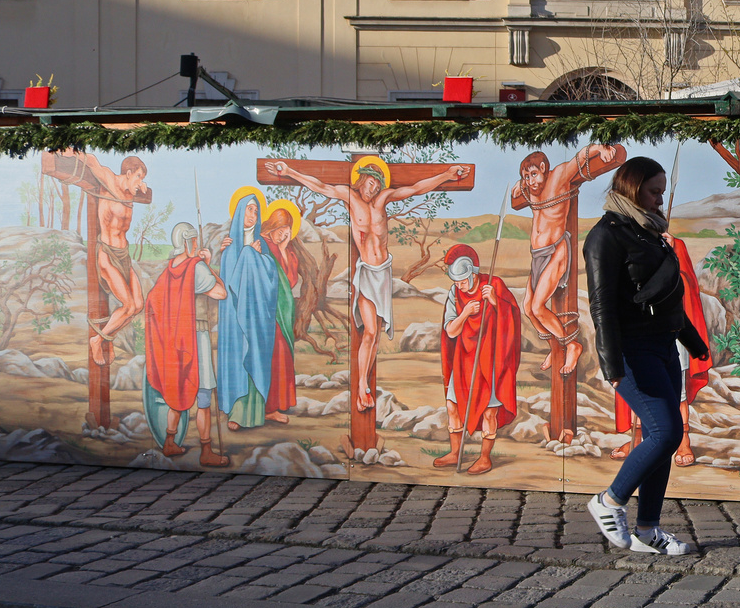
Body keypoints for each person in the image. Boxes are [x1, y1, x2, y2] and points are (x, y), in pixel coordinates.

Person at [264, 158, 471, 409]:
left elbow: (416, 188)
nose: (373, 190)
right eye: (370, 184)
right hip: (366, 274)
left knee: (376, 335)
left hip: (383, 274)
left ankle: (365, 385)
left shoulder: (383, 200)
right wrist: (289, 172)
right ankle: (362, 386)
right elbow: (320, 186)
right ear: (361, 179)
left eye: (377, 185)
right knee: (370, 331)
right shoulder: (349, 197)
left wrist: (446, 175)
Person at [584, 156, 711, 554]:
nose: (660, 200)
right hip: (632, 350)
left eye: (662, 191)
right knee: (666, 431)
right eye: (654, 191)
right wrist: (611, 364)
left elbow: (669, 297)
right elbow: (601, 305)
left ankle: (648, 531)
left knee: (666, 439)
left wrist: (694, 343)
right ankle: (609, 501)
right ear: (632, 188)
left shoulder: (650, 233)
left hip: (664, 346)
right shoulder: (605, 236)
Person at [513, 145, 626, 375]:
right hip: (537, 255)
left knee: (537, 305)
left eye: (534, 174)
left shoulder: (560, 176)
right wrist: (520, 184)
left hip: (556, 251)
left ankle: (572, 344)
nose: (531, 181)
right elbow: (517, 195)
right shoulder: (530, 188)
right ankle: (555, 345)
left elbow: (581, 156)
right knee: (527, 308)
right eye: (526, 176)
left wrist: (601, 149)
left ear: (544, 168)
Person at [612, 232, 709, 468]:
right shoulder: (632, 240)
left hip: (670, 329)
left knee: (678, 393)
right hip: (639, 330)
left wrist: (671, 256)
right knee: (639, 387)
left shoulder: (674, 244)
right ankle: (636, 437)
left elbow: (685, 284)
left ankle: (683, 440)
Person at [142, 222, 231, 467]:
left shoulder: (168, 270)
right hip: (196, 337)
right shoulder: (196, 267)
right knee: (203, 395)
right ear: (185, 241)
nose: (195, 244)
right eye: (192, 240)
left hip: (174, 342)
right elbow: (220, 293)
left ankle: (169, 442)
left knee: (179, 392)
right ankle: (206, 451)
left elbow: (153, 302)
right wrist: (209, 264)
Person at [435, 243, 522, 474]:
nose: (459, 285)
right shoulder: (454, 293)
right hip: (464, 358)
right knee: (452, 405)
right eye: (456, 281)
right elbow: (451, 331)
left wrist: (495, 301)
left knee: (489, 410)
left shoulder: (494, 285)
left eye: (463, 281)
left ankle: (485, 457)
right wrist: (465, 313)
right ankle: (455, 453)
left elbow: (513, 318)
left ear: (473, 274)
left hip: (490, 358)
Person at [57, 151, 149, 365]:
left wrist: (141, 186)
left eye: (142, 179)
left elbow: (138, 188)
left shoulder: (132, 190)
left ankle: (107, 337)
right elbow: (91, 161)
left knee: (138, 305)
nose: (140, 183)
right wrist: (71, 152)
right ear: (128, 173)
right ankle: (98, 340)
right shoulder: (109, 181)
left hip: (123, 254)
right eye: (138, 177)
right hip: (107, 254)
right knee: (127, 306)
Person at [217, 193, 281, 430]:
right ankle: (236, 412)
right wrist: (244, 254)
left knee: (253, 356)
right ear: (239, 212)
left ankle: (254, 413)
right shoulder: (229, 244)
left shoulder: (260, 244)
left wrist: (253, 256)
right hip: (234, 315)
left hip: (255, 316)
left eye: (256, 211)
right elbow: (226, 282)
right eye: (248, 209)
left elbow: (271, 278)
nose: (252, 215)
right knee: (236, 358)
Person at [261, 206, 302, 424]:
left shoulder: (287, 250)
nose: (284, 233)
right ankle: (267, 407)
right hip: (266, 312)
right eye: (281, 228)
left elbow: (291, 281)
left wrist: (285, 249)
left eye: (288, 228)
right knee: (271, 356)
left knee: (282, 356)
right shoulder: (262, 247)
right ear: (271, 227)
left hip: (282, 313)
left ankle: (276, 404)